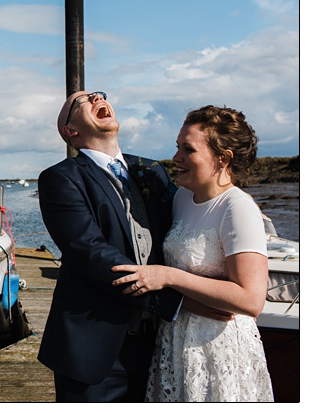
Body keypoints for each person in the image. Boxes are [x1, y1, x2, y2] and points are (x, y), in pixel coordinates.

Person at [112, 106, 274, 402]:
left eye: (188, 150)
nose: (176, 159)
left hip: (217, 347)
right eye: (177, 148)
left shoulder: (237, 208)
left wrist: (169, 276)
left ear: (222, 158)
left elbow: (251, 300)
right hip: (175, 338)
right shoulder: (182, 198)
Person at [37, 89, 184, 401]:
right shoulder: (61, 178)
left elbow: (181, 227)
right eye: (82, 101)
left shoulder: (150, 171)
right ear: (70, 131)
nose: (95, 99)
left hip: (158, 343)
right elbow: (87, 251)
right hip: (94, 346)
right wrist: (170, 300)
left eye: (99, 95)